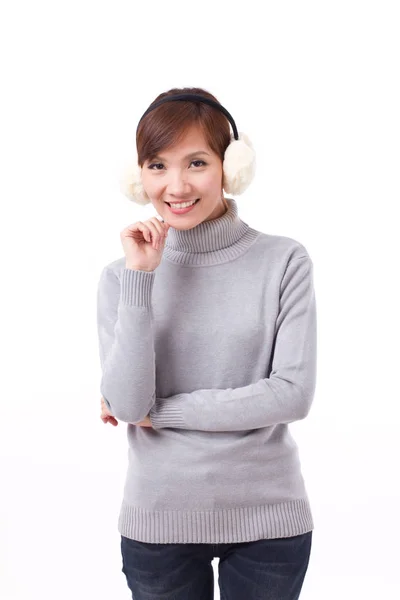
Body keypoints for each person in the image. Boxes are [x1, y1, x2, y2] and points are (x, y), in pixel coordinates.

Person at [97, 87, 317, 600]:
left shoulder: (284, 261)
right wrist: (141, 279)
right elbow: (129, 404)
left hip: (269, 521)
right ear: (138, 176)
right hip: (158, 523)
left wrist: (163, 413)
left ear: (230, 167)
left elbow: (291, 394)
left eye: (196, 162)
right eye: (157, 165)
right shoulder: (121, 278)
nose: (175, 185)